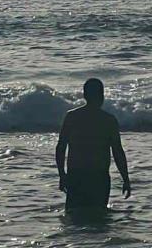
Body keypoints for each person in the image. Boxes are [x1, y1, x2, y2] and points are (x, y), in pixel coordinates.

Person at [55, 79, 131, 212]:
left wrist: (62, 175)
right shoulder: (108, 120)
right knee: (99, 220)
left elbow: (61, 148)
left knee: (74, 219)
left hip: (76, 176)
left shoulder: (72, 117)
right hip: (99, 178)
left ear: (84, 95)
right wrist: (125, 179)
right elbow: (117, 152)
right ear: (102, 96)